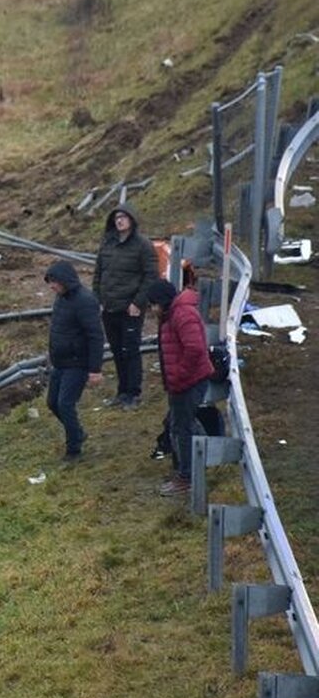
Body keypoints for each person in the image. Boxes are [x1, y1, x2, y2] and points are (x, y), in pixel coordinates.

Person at [146, 279, 213, 496]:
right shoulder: (172, 315)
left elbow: (194, 349)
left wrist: (178, 375)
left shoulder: (182, 315)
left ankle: (188, 477)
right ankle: (199, 462)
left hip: (188, 381)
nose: (152, 309)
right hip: (182, 382)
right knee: (179, 424)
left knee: (182, 428)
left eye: (154, 304)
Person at [93, 203, 159, 410]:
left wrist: (138, 302)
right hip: (109, 307)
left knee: (130, 350)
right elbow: (98, 273)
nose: (119, 220)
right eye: (116, 217)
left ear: (131, 219)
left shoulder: (142, 245)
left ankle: (134, 393)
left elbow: (151, 276)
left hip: (130, 308)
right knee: (117, 350)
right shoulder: (107, 243)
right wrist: (98, 299)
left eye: (123, 216)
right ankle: (122, 392)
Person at [44, 261, 105, 458]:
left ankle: (74, 449)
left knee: (65, 404)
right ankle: (78, 433)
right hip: (60, 362)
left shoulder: (85, 301)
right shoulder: (61, 298)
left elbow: (95, 335)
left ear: (64, 280)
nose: (51, 286)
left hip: (77, 362)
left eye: (54, 282)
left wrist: (95, 369)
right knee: (53, 402)